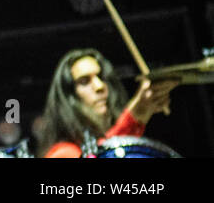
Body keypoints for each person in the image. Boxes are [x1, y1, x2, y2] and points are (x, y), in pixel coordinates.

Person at [36, 48, 177, 157]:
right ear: (69, 97)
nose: (99, 86)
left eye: (101, 77)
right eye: (84, 81)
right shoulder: (63, 153)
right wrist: (136, 114)